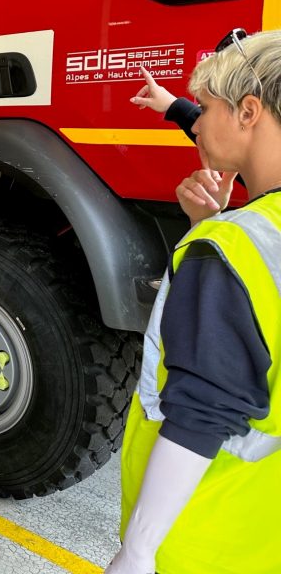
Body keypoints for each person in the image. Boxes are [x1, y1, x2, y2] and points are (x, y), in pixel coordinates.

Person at [105, 29, 281, 574]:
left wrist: (137, 553)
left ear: (249, 112)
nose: (197, 124)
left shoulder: (235, 247)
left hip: (205, 540)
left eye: (204, 109)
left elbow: (205, 411)